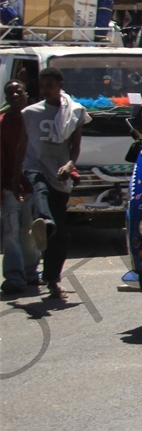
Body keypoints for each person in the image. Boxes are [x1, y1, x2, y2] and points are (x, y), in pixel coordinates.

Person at [22, 68, 90, 299]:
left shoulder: (74, 113)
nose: (45, 90)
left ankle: (52, 279)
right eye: (42, 86)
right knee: (38, 188)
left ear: (60, 84)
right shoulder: (29, 113)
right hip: (34, 165)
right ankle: (44, 221)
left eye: (49, 85)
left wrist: (70, 165)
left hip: (59, 174)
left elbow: (75, 147)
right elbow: (21, 144)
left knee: (60, 237)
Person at [2, 80, 42, 296]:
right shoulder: (2, 123)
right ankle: (14, 277)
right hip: (9, 187)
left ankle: (30, 274)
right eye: (11, 94)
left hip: (33, 185)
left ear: (26, 94)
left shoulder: (36, 119)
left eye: (19, 92)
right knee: (10, 233)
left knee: (31, 232)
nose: (15, 96)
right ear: (6, 98)